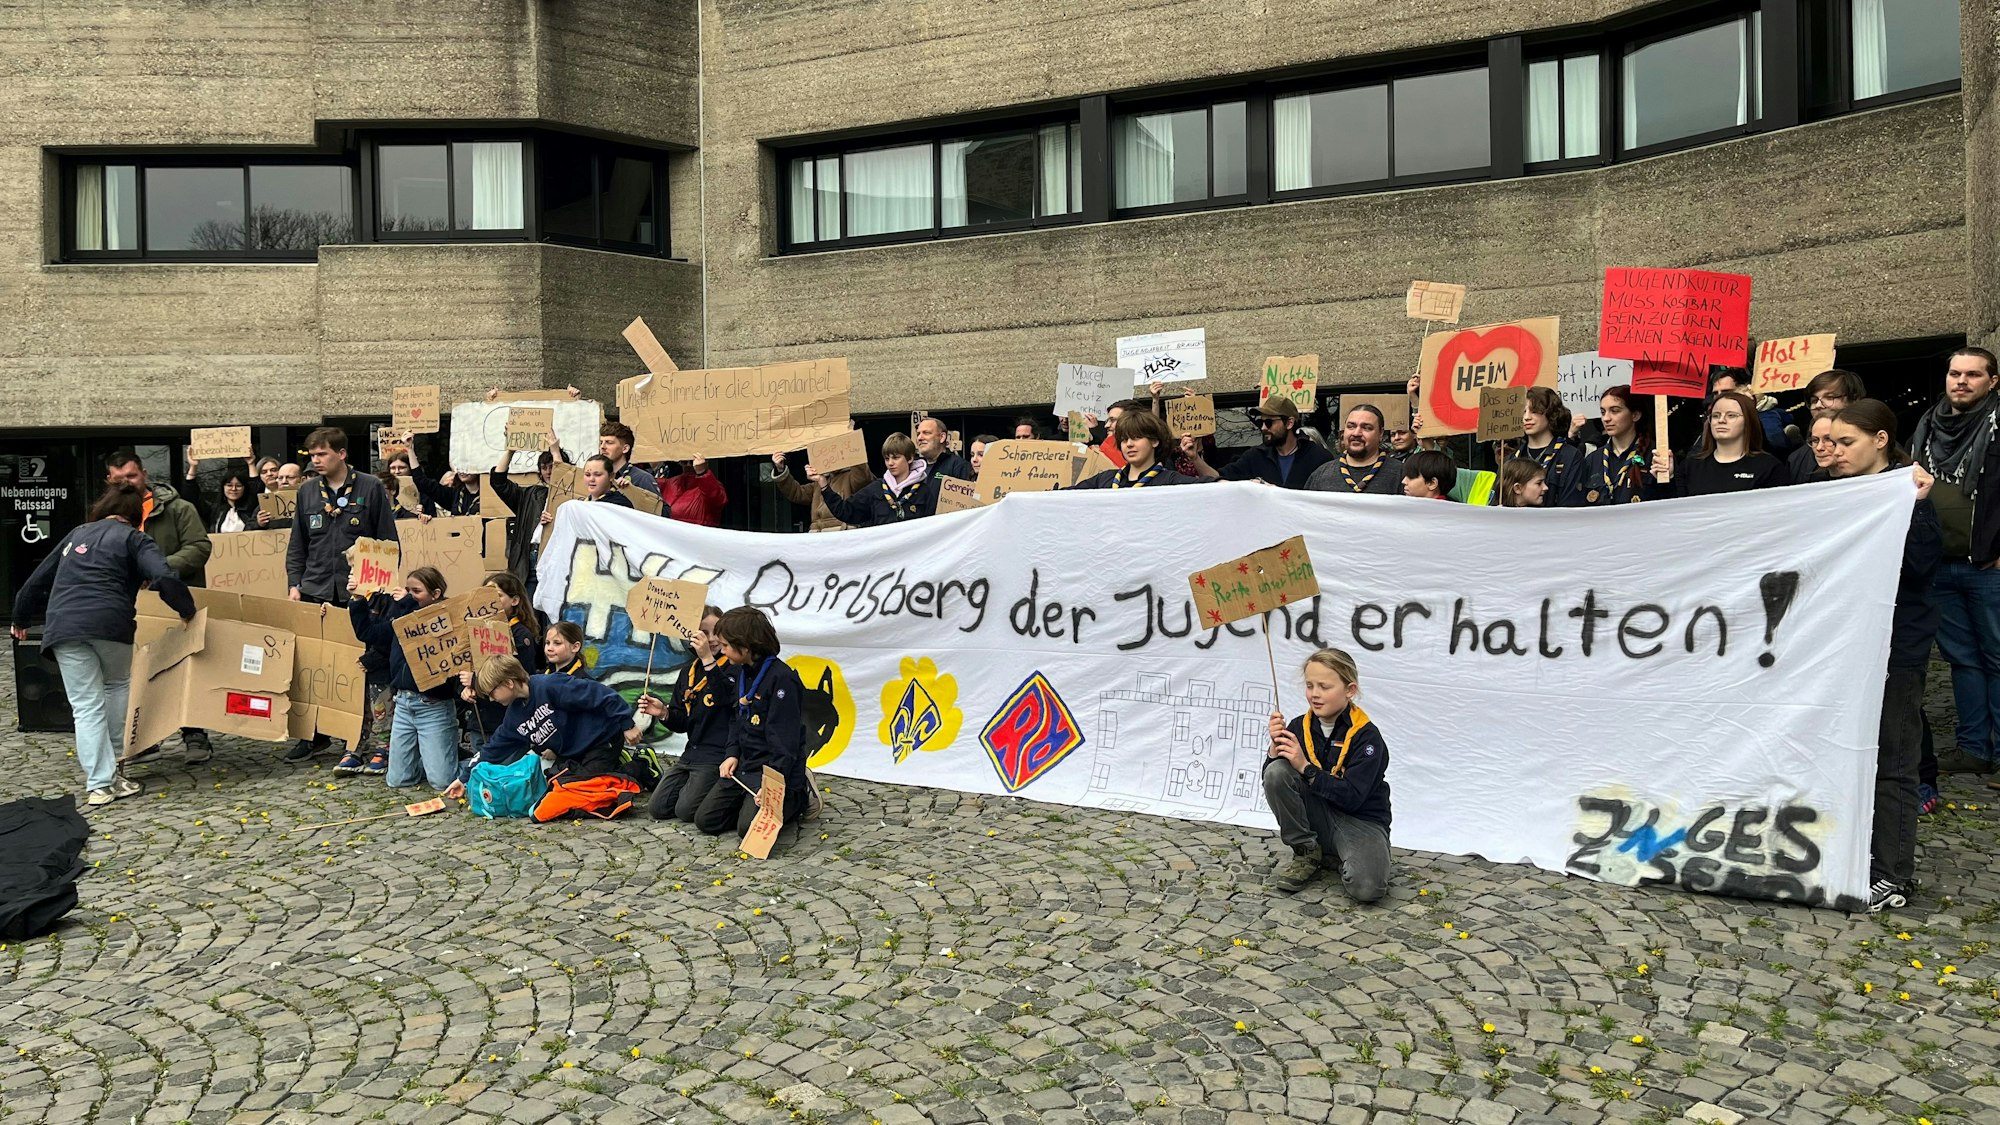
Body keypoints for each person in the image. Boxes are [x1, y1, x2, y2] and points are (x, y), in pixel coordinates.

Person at [10, 485, 196, 806]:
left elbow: (36, 580)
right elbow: (164, 576)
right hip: (110, 624)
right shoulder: (135, 538)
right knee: (116, 688)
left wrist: (20, 619)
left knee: (85, 707)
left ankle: (99, 785)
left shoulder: (76, 534)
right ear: (137, 516)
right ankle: (115, 775)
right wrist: (187, 612)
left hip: (63, 627)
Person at [1824, 399, 1940, 909]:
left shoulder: (1908, 493)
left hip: (1897, 647)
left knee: (1892, 760)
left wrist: (1911, 508)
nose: (1835, 451)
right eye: (1830, 441)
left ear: (1880, 439)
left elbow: (1919, 569)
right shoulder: (1837, 491)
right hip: (1846, 644)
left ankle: (1891, 872)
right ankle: (1846, 854)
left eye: (1846, 442)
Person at [1909, 346, 2000, 777]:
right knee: (1963, 660)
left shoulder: (1998, 425)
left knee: (1997, 658)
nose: (1961, 381)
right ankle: (1974, 750)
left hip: (1989, 565)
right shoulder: (1927, 425)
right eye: (1955, 373)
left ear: (1992, 382)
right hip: (1940, 565)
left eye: (1973, 375)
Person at [285, 427, 398, 760]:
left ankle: (369, 736)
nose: (316, 460)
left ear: (341, 454)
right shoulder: (307, 492)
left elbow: (388, 543)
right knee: (315, 667)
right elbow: (298, 544)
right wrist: (294, 584)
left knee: (362, 666)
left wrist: (375, 591)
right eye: (313, 455)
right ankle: (314, 734)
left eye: (322, 454)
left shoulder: (371, 487)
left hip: (359, 596)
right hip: (316, 590)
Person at [105, 450, 213, 762]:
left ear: (144, 475)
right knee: (137, 673)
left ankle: (196, 736)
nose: (127, 483)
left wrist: (160, 569)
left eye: (132, 476)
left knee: (186, 667)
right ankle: (144, 739)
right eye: (119, 479)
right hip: (127, 606)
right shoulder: (105, 516)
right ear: (108, 482)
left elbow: (200, 546)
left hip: (174, 599)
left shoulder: (178, 509)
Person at [1261, 648, 1390, 900]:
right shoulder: (1299, 726)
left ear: (1350, 690)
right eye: (1310, 686)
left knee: (1367, 889)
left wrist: (1305, 767)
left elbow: (1354, 798)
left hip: (1360, 820)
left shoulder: (1367, 737)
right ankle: (1307, 851)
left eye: (1324, 686)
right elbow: (1273, 782)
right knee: (1276, 772)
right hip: (1318, 813)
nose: (1315, 694)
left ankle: (1339, 854)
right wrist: (1274, 751)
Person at [447, 655, 650, 810]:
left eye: (491, 693)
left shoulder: (551, 685)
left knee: (584, 789)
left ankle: (640, 767)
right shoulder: (514, 716)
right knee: (557, 787)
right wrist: (463, 778)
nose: (491, 699)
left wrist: (626, 724)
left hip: (601, 740)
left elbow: (601, 695)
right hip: (572, 754)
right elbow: (493, 748)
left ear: (508, 683)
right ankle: (613, 765)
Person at [689, 607, 810, 841]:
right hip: (745, 765)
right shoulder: (741, 671)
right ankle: (748, 803)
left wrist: (773, 785)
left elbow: (785, 743)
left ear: (744, 647)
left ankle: (798, 798)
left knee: (747, 830)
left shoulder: (782, 679)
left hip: (772, 768)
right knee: (706, 821)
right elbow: (736, 718)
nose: (721, 649)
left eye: (725, 645)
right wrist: (731, 754)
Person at [347, 567, 460, 789]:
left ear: (435, 594)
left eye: (416, 591)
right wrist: (357, 600)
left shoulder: (447, 616)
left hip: (433, 705)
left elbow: (426, 630)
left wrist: (407, 603)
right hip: (404, 704)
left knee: (442, 782)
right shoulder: (401, 615)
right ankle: (425, 755)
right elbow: (370, 634)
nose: (408, 595)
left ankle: (467, 761)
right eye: (408, 590)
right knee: (398, 780)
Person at [637, 606, 733, 823]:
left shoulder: (733, 667)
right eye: (704, 633)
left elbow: (725, 700)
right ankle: (702, 791)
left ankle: (722, 794)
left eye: (717, 632)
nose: (712, 639)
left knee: (685, 811)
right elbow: (683, 723)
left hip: (718, 754)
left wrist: (709, 659)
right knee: (658, 808)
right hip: (691, 753)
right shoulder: (688, 672)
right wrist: (663, 712)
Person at [456, 573, 543, 761]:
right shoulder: (475, 631)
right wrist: (465, 689)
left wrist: (476, 681)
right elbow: (463, 669)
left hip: (506, 722)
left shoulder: (521, 636)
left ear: (514, 600)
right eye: (485, 594)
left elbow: (521, 678)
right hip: (480, 720)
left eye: (497, 595)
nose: (490, 600)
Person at [1652, 390, 1791, 496]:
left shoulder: (1770, 467)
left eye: (1731, 415)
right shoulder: (1690, 467)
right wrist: (1667, 478)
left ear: (1749, 421)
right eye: (1716, 415)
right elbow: (1674, 513)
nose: (1721, 420)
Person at [1187, 397, 1331, 488]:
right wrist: (1195, 458)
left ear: (1289, 423)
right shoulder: (1255, 457)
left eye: (1269, 422)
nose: (1263, 428)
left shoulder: (1318, 458)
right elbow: (1218, 480)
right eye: (1260, 422)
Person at [818, 434, 937, 526]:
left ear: (910, 458)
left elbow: (934, 527)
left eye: (896, 458)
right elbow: (846, 511)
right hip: (884, 556)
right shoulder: (876, 489)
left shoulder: (923, 491)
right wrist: (824, 485)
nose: (890, 463)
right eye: (886, 458)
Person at [1070, 411, 1203, 488]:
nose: (1129, 444)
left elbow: (1216, 488)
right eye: (1124, 439)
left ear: (1155, 441)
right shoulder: (1105, 479)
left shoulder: (1170, 481)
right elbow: (1063, 496)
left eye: (1136, 438)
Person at [1578, 385, 1656, 506]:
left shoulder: (1654, 455)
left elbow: (1670, 504)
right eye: (1603, 412)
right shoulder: (1593, 459)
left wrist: (1669, 477)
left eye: (1615, 411)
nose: (1606, 418)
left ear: (1635, 415)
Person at [486, 448, 555, 582]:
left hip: (554, 563)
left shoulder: (575, 500)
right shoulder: (530, 495)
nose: (548, 471)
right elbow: (498, 482)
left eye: (552, 466)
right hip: (528, 563)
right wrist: (510, 451)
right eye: (544, 467)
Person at [1787, 369, 1865, 485]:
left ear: (1853, 400)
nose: (1818, 405)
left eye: (1829, 397)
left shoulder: (1874, 449)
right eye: (1814, 400)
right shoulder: (1797, 459)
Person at [1304, 405, 1403, 495]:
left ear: (1381, 434)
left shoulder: (1401, 474)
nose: (1356, 433)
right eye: (1351, 426)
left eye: (1367, 428)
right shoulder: (1321, 475)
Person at [1515, 387, 1586, 506]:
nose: (1526, 417)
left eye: (1534, 411)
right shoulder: (1512, 459)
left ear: (1551, 413)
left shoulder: (1570, 456)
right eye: (1523, 412)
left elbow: (1571, 509)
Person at [769, 451, 870, 533]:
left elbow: (863, 478)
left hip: (842, 534)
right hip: (818, 537)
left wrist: (854, 450)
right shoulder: (819, 482)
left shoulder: (851, 477)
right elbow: (796, 493)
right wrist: (780, 470)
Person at [565, 422, 659, 497]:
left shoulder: (642, 478)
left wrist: (633, 493)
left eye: (609, 443)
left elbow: (661, 512)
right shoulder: (591, 478)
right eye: (601, 442)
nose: (602, 447)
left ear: (625, 448)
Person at [660, 458, 727, 525]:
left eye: (692, 462)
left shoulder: (712, 486)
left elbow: (715, 497)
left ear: (706, 462)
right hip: (669, 532)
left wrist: (702, 474)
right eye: (684, 462)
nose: (688, 465)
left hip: (697, 534)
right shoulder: (669, 483)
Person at [203, 468, 261, 533]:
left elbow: (255, 486)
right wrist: (193, 468)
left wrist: (251, 464)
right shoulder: (216, 510)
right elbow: (194, 499)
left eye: (238, 486)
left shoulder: (251, 508)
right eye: (229, 485)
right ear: (223, 487)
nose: (233, 489)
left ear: (244, 488)